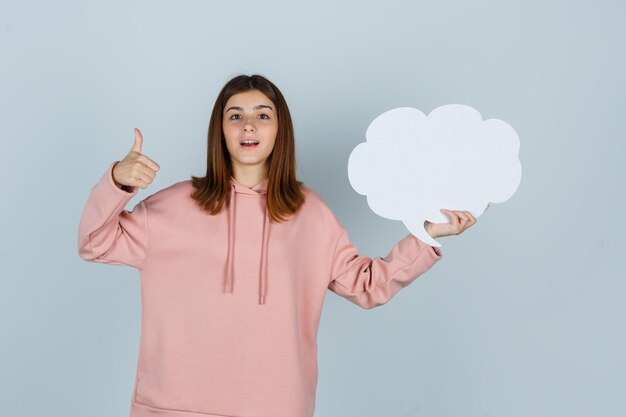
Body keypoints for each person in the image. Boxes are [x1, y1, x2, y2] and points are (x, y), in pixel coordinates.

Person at [78, 74, 480, 417]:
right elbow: (94, 243)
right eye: (235, 116)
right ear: (219, 129)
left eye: (262, 116)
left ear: (279, 130)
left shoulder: (310, 214)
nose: (248, 126)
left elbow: (367, 285)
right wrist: (117, 180)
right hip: (170, 407)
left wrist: (426, 236)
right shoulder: (170, 206)